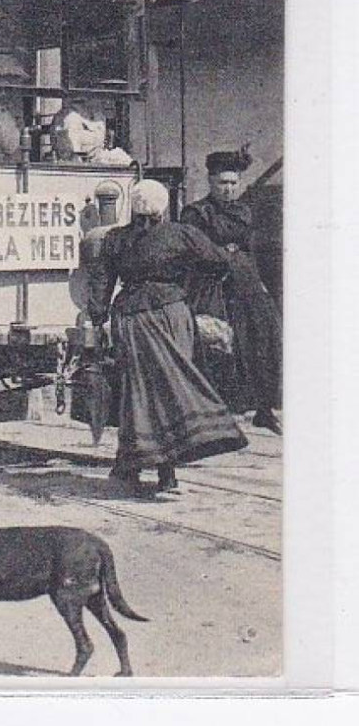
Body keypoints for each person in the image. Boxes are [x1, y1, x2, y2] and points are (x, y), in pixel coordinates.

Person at [88, 179, 248, 498]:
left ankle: (134, 465)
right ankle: (164, 472)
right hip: (172, 314)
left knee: (140, 392)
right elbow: (219, 262)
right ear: (162, 210)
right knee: (174, 386)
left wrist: (97, 318)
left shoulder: (116, 239)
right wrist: (188, 283)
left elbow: (102, 281)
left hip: (132, 319)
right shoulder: (180, 234)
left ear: (131, 208)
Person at [181, 149, 283, 434]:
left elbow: (249, 249)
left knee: (264, 339)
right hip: (214, 285)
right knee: (222, 346)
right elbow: (194, 249)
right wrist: (223, 253)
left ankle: (264, 408)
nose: (228, 189)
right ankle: (221, 413)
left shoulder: (244, 211)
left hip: (247, 284)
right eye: (222, 183)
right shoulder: (196, 213)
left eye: (233, 183)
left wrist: (258, 279)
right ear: (211, 182)